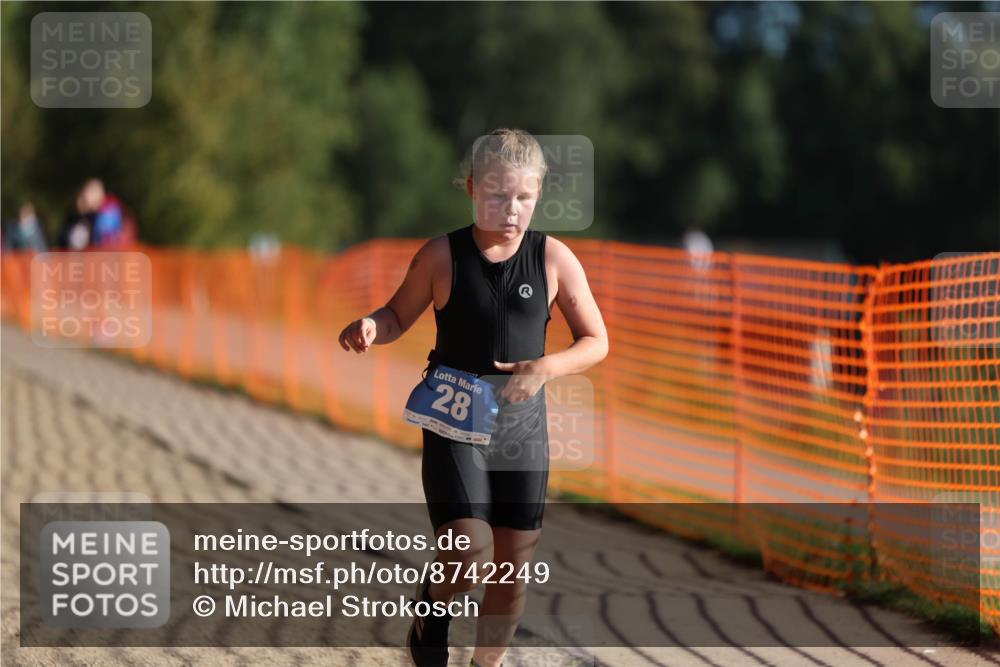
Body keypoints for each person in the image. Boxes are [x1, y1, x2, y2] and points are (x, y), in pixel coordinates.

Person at [338, 128, 608, 667]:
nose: (512, 209)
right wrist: (370, 324)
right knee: (469, 550)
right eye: (498, 195)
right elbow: (396, 315)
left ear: (538, 195)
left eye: (524, 198)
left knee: (510, 571)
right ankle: (432, 611)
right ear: (471, 188)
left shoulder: (554, 259)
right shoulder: (441, 256)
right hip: (455, 418)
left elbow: (596, 341)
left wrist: (546, 368)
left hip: (522, 428)